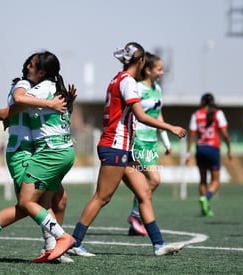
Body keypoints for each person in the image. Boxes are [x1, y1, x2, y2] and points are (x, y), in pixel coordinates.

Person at [69, 42, 186, 257]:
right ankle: (74, 242)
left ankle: (158, 244)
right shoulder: (129, 82)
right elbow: (141, 116)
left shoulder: (118, 79)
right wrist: (170, 127)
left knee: (144, 194)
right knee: (102, 197)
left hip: (124, 148)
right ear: (141, 61)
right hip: (115, 146)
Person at [0, 51, 76, 263]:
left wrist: (62, 104)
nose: (27, 67)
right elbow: (11, 109)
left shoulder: (38, 88)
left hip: (36, 150)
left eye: (32, 65)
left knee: (49, 200)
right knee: (28, 204)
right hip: (21, 151)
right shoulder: (23, 85)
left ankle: (52, 249)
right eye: (29, 64)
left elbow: (20, 112)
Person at [126, 52, 172, 236]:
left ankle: (135, 223)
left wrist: (166, 141)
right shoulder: (136, 87)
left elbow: (158, 115)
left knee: (146, 182)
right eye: (159, 69)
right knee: (154, 180)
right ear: (148, 70)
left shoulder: (158, 89)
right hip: (138, 141)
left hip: (152, 143)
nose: (162, 72)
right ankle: (136, 215)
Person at [185, 93, 232, 217]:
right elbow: (225, 133)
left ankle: (205, 208)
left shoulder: (196, 114)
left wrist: (188, 152)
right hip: (213, 149)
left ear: (203, 101)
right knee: (216, 181)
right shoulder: (218, 113)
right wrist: (229, 148)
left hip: (200, 149)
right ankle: (206, 198)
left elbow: (192, 135)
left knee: (203, 180)